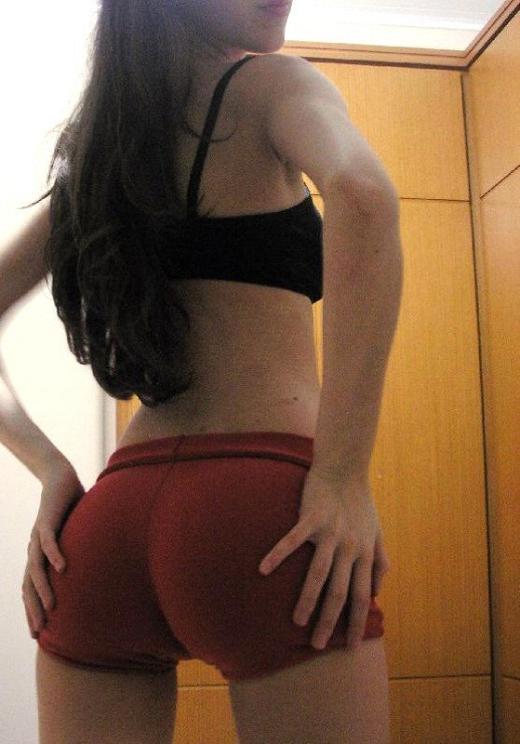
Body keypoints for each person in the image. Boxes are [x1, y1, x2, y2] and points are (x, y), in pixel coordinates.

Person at [0, 0, 403, 742]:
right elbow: (364, 194)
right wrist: (343, 474)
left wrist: (53, 472)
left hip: (107, 529)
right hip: (258, 510)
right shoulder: (274, 85)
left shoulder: (101, 156)